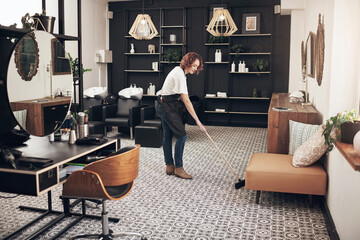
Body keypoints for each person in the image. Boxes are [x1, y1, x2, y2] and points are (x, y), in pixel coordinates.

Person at [156, 52, 207, 179]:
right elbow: (187, 100)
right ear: (188, 63)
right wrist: (198, 121)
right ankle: (178, 168)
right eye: (194, 66)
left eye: (197, 66)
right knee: (182, 136)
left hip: (163, 104)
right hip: (166, 107)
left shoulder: (178, 71)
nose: (195, 69)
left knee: (167, 135)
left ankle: (169, 166)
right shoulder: (179, 75)